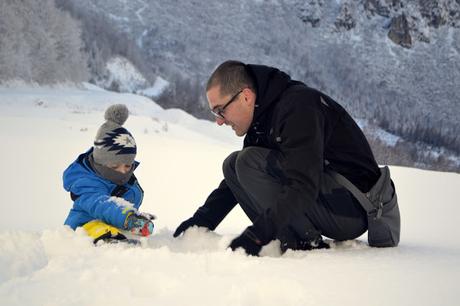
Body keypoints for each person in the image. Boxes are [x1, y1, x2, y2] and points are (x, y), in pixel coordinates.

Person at [174, 60, 398, 256]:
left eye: (220, 110)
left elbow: (304, 184)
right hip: (329, 199)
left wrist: (257, 235)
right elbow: (236, 181)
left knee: (247, 161)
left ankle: (301, 241)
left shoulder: (299, 107)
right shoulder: (262, 116)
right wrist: (202, 221)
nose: (219, 121)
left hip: (353, 209)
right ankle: (285, 236)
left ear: (245, 96)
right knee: (233, 164)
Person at [63, 104, 155, 244]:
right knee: (104, 233)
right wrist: (127, 217)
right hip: (83, 230)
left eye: (127, 165)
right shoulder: (85, 182)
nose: (123, 171)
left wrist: (135, 217)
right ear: (101, 162)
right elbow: (101, 204)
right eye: (115, 166)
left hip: (113, 227)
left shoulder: (123, 179)